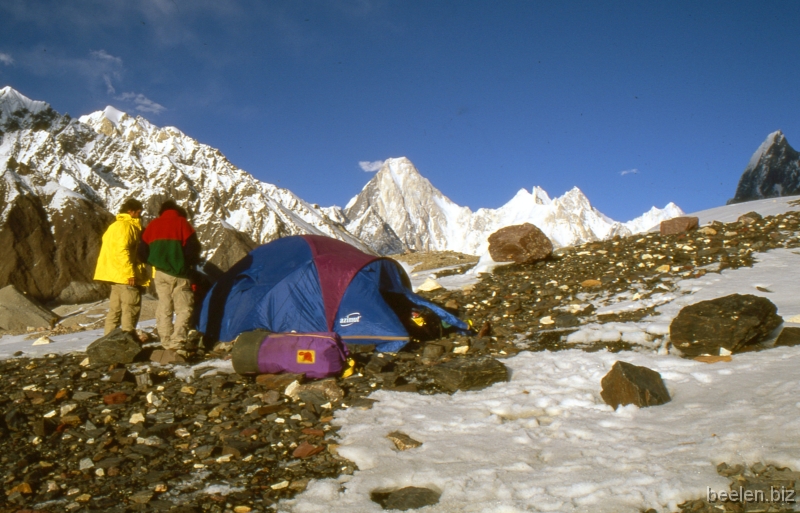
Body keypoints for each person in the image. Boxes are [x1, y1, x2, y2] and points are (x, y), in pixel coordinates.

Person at [138, 200, 202, 352]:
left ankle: (165, 341)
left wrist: (154, 261)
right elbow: (193, 250)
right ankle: (177, 341)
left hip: (160, 273)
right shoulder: (183, 224)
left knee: (164, 306)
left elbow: (141, 252)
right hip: (180, 274)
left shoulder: (153, 225)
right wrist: (186, 265)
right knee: (184, 308)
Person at [94, 198, 150, 335]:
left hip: (115, 276)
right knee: (130, 309)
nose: (140, 215)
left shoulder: (113, 226)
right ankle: (127, 341)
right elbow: (122, 250)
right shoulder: (128, 227)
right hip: (126, 277)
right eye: (138, 212)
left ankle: (107, 341)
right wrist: (129, 273)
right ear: (130, 212)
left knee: (115, 311)